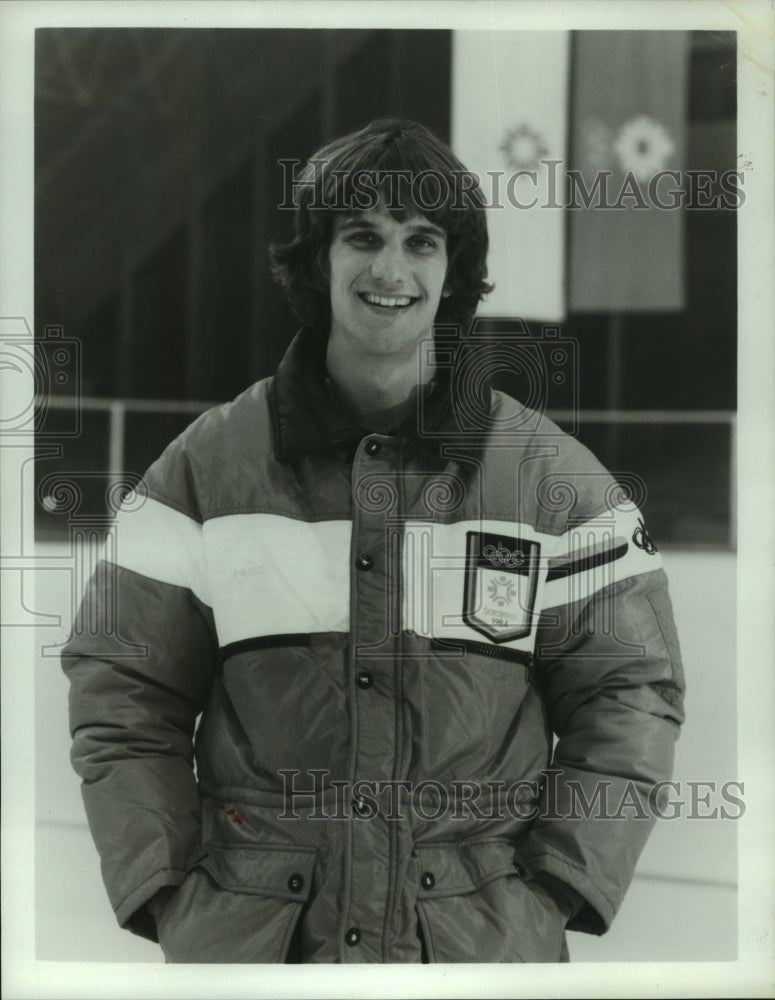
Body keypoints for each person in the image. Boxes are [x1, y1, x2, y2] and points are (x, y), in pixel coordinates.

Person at [61, 117, 685, 964]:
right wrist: (167, 890)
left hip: (476, 952)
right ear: (318, 260)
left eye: (421, 242)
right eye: (362, 237)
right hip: (254, 950)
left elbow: (629, 693)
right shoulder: (207, 466)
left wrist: (553, 890)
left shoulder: (550, 478)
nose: (390, 270)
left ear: (453, 271)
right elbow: (122, 690)